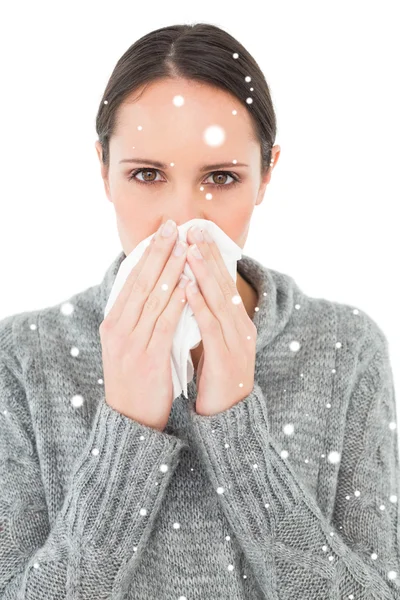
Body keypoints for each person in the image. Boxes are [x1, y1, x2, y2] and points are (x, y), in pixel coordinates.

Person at [0, 22, 399, 600]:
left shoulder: (343, 347)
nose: (182, 221)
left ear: (266, 175)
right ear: (103, 169)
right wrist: (127, 433)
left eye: (220, 177)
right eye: (146, 174)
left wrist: (237, 426)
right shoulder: (23, 358)